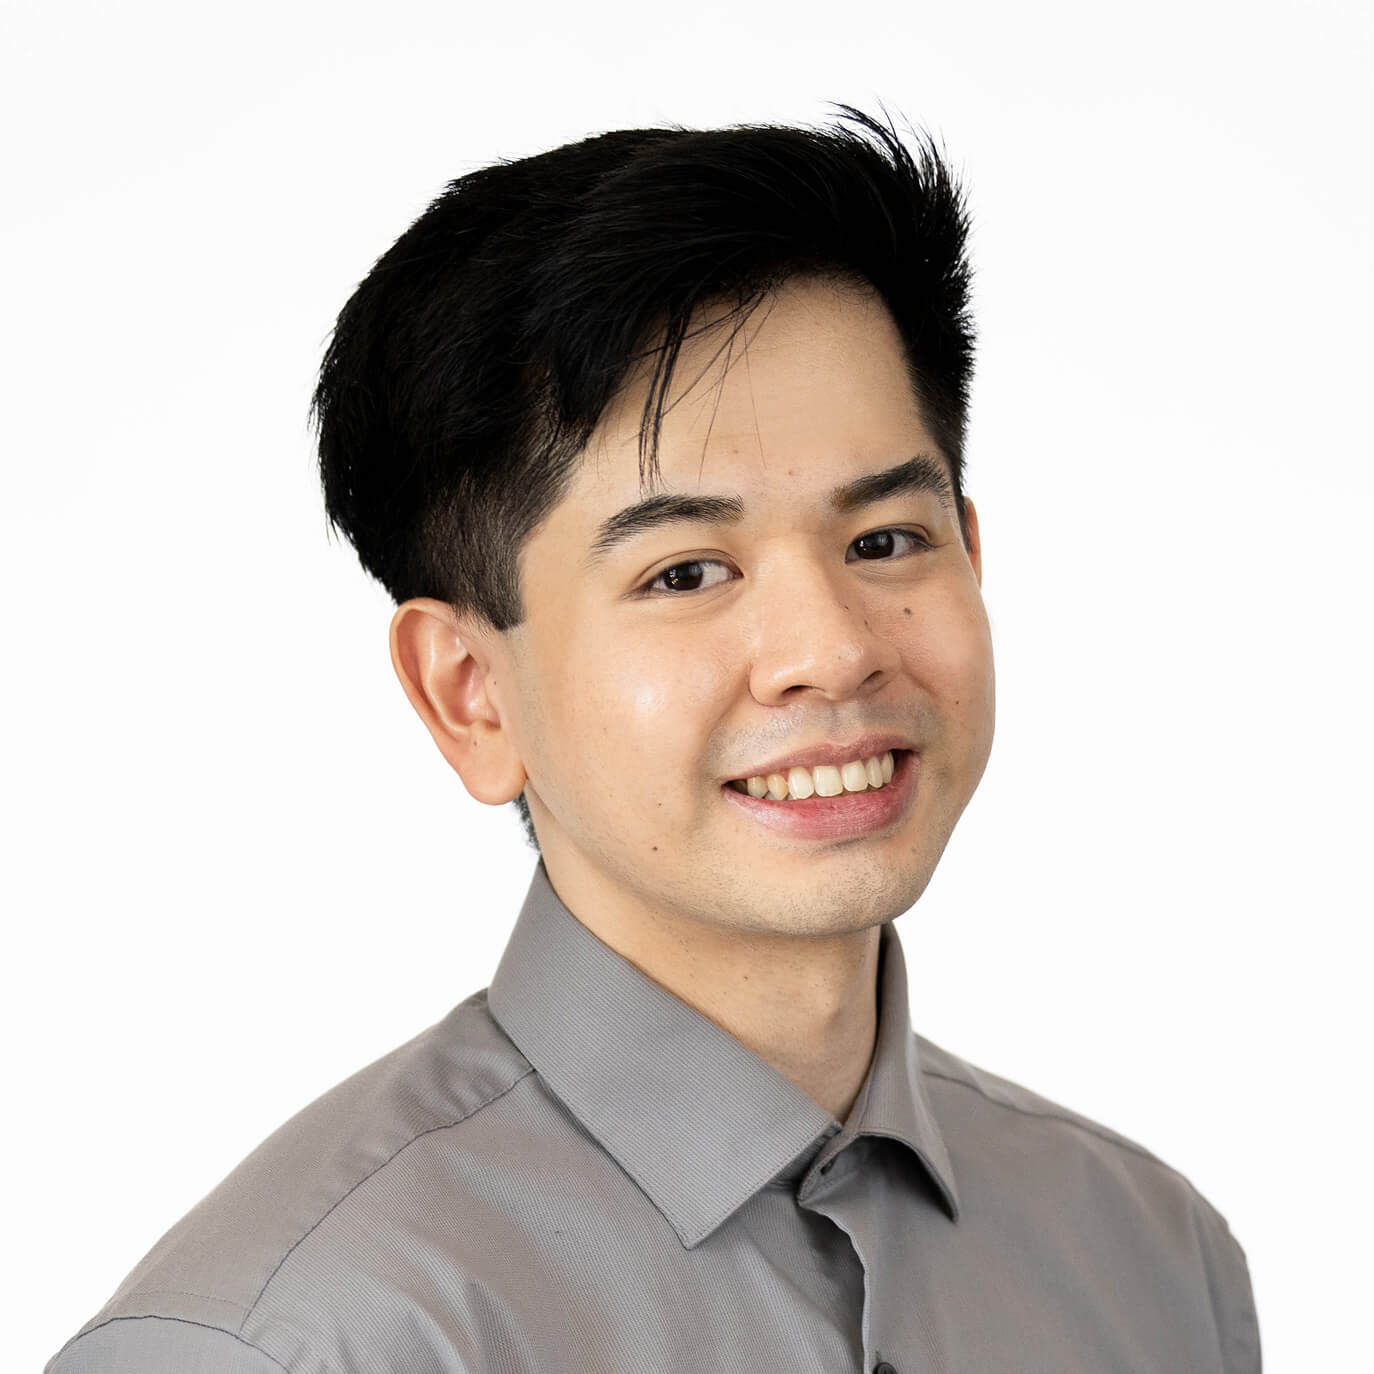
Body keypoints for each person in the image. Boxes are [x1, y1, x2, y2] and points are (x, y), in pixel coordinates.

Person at [45, 107, 1261, 1374]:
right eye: (687, 572)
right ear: (470, 693)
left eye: (886, 541)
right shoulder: (291, 1344)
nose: (832, 650)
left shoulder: (1154, 1262)